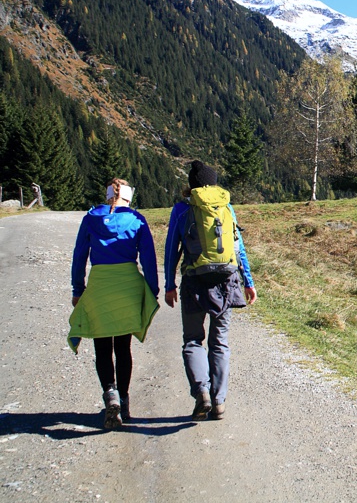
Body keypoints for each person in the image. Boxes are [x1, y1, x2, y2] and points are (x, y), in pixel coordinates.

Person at [164, 161, 256, 421]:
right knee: (220, 342)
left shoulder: (182, 209)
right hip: (227, 282)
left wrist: (169, 284)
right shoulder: (226, 207)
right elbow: (239, 248)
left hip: (194, 282)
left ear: (191, 185)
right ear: (214, 182)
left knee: (193, 340)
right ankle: (219, 401)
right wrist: (248, 281)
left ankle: (201, 391)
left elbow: (172, 248)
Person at [69, 178, 160, 429]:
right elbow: (149, 258)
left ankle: (110, 394)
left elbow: (79, 257)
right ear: (128, 197)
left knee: (102, 345)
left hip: (100, 285)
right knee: (123, 346)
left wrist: (78, 289)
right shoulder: (136, 219)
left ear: (108, 195)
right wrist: (152, 289)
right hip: (127, 285)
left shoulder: (90, 218)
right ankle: (124, 399)